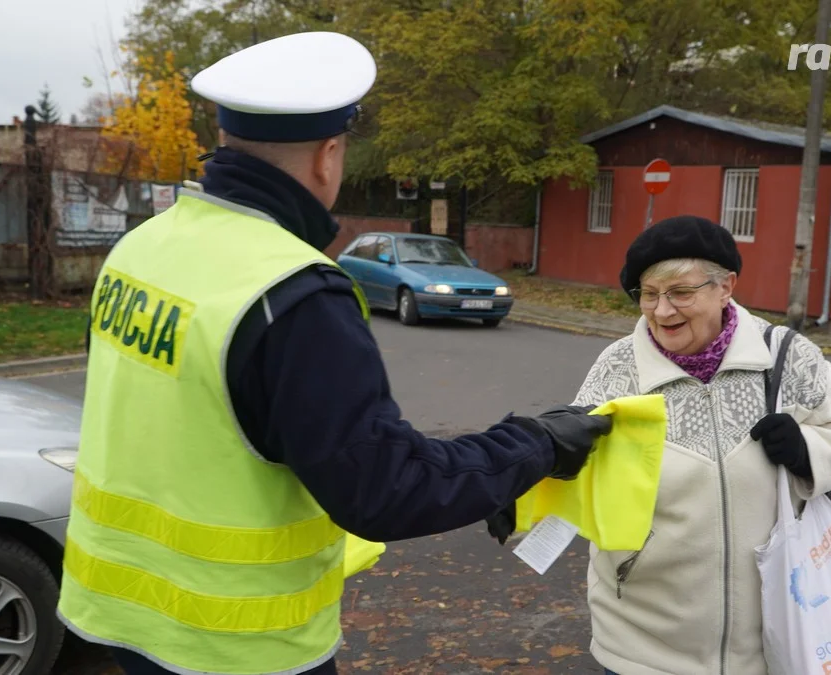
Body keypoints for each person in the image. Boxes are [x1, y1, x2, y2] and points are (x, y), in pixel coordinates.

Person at [58, 31, 612, 675]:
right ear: (327, 155)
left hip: (120, 613)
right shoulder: (292, 291)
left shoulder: (144, 245)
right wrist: (535, 445)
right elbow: (384, 489)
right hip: (238, 643)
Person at [495, 216, 831, 674]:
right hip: (641, 645)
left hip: (776, 637)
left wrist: (806, 451)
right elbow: (577, 462)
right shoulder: (620, 368)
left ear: (726, 286)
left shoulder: (784, 356)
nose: (662, 311)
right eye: (649, 295)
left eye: (680, 292)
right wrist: (513, 488)